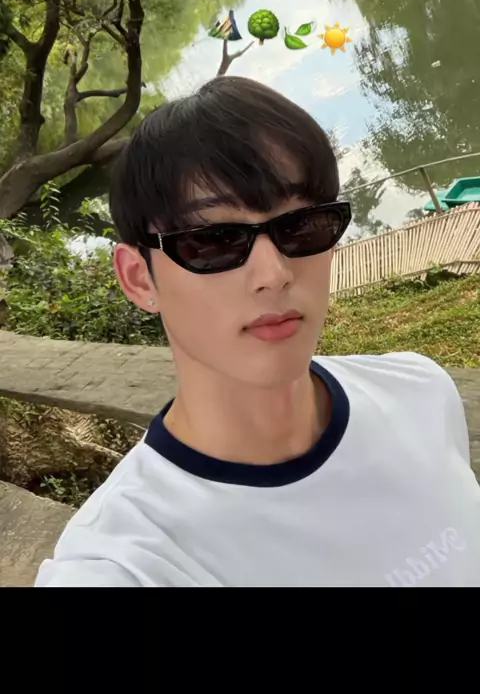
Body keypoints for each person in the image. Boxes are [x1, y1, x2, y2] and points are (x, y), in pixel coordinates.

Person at [35, 75, 480, 588]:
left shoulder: (420, 393)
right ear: (139, 278)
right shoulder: (127, 562)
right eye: (213, 239)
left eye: (300, 225)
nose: (274, 273)